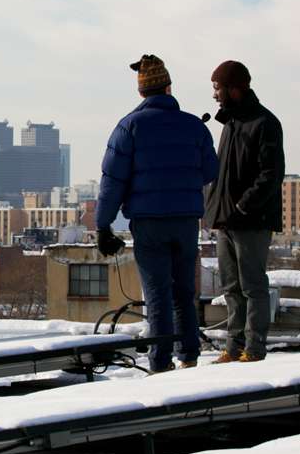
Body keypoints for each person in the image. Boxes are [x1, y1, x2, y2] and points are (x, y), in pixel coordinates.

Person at [96, 55, 219, 373]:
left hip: (148, 222)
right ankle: (189, 354)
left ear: (141, 93)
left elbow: (113, 181)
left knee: (157, 293)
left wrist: (103, 225)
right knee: (184, 291)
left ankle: (160, 362)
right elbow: (210, 170)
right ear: (168, 87)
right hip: (186, 220)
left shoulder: (129, 127)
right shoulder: (193, 125)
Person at [203, 60, 284, 363]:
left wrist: (241, 207)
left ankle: (254, 347)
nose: (214, 94)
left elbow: (270, 175)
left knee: (252, 285)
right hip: (227, 220)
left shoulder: (264, 123)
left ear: (234, 88)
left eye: (217, 88)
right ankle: (233, 347)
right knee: (231, 287)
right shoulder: (232, 124)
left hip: (251, 221)